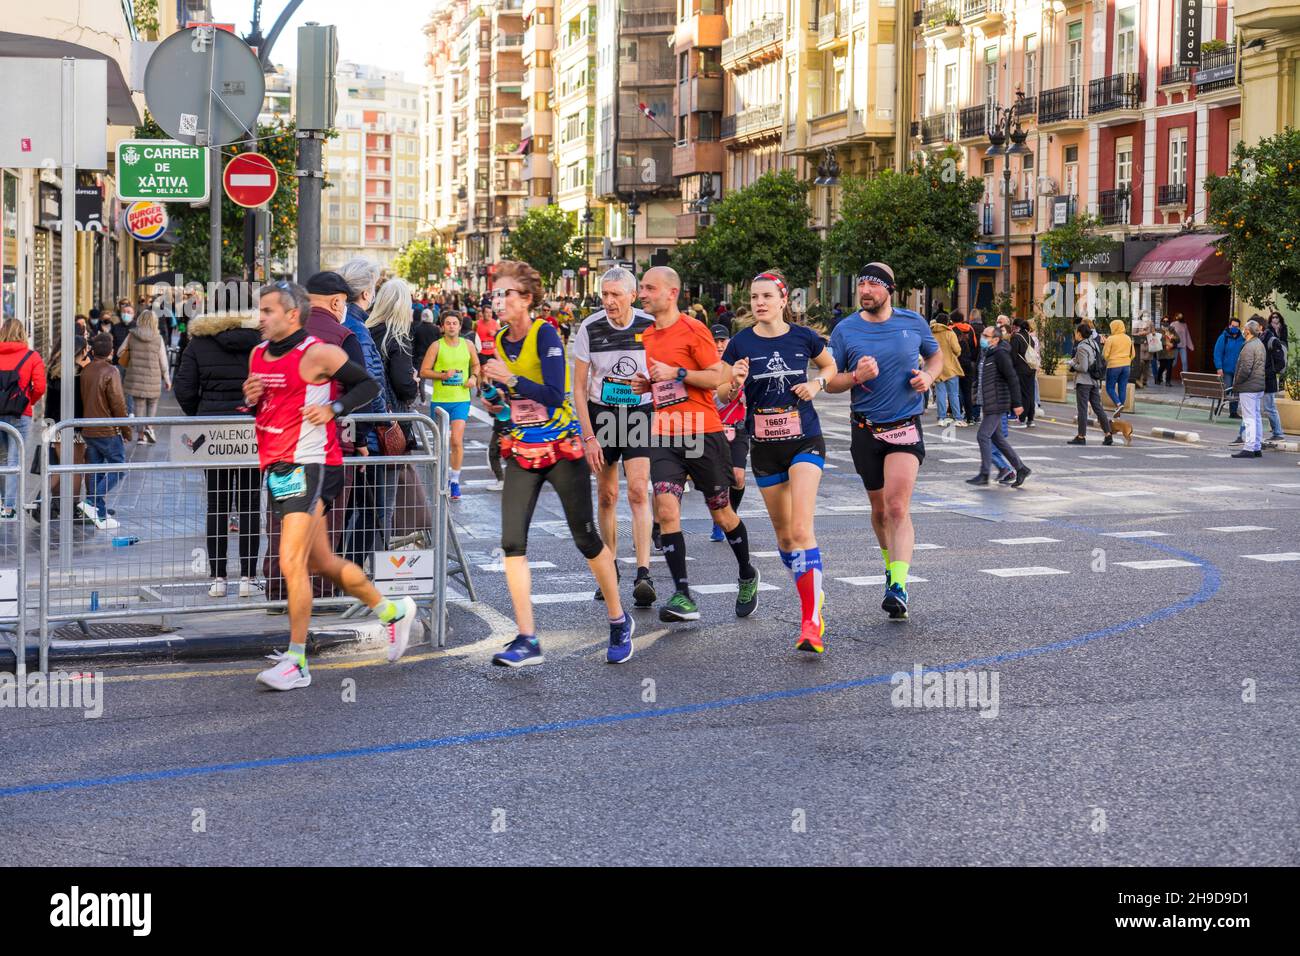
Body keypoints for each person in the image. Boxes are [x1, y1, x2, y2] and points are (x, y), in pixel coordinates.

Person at [244, 281, 416, 691]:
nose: (261, 317)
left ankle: (297, 661)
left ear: (292, 314)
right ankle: (393, 610)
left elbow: (368, 386)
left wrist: (333, 407)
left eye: (269, 311)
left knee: (291, 561)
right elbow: (266, 402)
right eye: (260, 310)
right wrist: (251, 396)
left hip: (315, 463)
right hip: (279, 465)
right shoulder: (257, 353)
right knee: (321, 561)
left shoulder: (318, 352)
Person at [479, 260, 633, 667]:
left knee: (585, 538)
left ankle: (618, 619)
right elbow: (509, 401)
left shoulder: (545, 333)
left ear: (526, 299)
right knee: (512, 542)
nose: (500, 300)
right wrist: (495, 398)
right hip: (523, 449)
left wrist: (509, 380)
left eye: (507, 293)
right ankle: (527, 637)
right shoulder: (498, 340)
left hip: (561, 449)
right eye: (498, 293)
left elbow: (553, 393)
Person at [632, 266, 761, 625]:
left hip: (703, 432)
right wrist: (649, 386)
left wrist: (676, 373)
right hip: (665, 433)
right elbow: (666, 384)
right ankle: (683, 595)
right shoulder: (648, 336)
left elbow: (715, 376)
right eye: (642, 287)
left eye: (649, 288)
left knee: (721, 512)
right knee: (667, 509)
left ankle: (747, 573)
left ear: (671, 293)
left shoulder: (694, 329)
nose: (642, 293)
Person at [718, 270, 836, 653]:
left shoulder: (804, 337)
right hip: (765, 448)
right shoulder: (739, 343)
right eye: (754, 297)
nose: (759, 303)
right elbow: (720, 394)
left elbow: (830, 368)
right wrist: (733, 380)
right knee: (786, 539)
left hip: (806, 440)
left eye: (767, 295)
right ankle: (811, 590)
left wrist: (817, 384)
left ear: (784, 300)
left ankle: (810, 623)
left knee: (802, 529)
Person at [825, 261, 942, 622]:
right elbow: (829, 382)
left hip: (905, 426)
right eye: (861, 285)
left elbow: (936, 355)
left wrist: (928, 376)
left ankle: (899, 585)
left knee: (896, 507)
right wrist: (854, 376)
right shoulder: (846, 330)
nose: (864, 291)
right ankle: (890, 567)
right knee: (878, 511)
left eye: (872, 286)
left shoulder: (912, 323)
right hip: (865, 430)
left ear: (889, 290)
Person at [570, 266, 657, 608]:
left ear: (633, 296)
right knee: (607, 495)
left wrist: (650, 384)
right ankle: (610, 567)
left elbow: (665, 377)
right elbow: (578, 387)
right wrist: (588, 436)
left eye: (615, 295)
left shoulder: (649, 327)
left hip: (639, 413)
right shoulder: (589, 328)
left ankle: (644, 572)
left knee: (638, 491)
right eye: (604, 294)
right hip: (601, 415)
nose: (608, 301)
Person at [174, 308, 264, 598]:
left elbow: (184, 388)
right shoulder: (262, 343)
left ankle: (219, 579)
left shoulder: (199, 342)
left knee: (217, 505)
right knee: (250, 505)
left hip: (214, 434)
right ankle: (249, 579)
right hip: (252, 430)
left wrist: (201, 415)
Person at [25, 337, 89, 522]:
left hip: (56, 426)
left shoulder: (53, 370)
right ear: (79, 351)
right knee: (75, 468)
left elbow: (50, 403)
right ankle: (71, 507)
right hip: (75, 426)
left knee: (58, 466)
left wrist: (48, 427)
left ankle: (44, 502)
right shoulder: (80, 373)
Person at [420, 309, 479, 500]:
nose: (451, 326)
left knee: (456, 441)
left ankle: (455, 481)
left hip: (461, 400)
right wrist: (442, 375)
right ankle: (440, 477)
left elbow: (476, 365)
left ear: (460, 326)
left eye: (455, 323)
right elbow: (424, 371)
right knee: (440, 444)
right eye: (448, 323)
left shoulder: (468, 344)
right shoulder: (436, 346)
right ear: (442, 326)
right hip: (440, 401)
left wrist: (473, 377)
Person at [78, 333, 131, 531]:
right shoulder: (112, 371)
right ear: (110, 350)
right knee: (119, 467)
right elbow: (118, 404)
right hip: (107, 429)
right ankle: (92, 502)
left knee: (96, 469)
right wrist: (126, 431)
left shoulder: (86, 370)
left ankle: (99, 515)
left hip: (88, 429)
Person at [967, 324, 1030, 487]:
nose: (982, 338)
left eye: (986, 336)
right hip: (988, 402)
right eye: (983, 335)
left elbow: (1012, 377)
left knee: (983, 436)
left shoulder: (1000, 354)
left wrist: (1017, 403)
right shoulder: (986, 353)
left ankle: (984, 473)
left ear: (995, 339)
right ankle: (1021, 468)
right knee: (998, 439)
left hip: (997, 402)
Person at [0, 319, 47, 520]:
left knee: (2, 460)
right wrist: (28, 402)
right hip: (21, 415)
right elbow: (40, 387)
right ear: (23, 334)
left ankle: (2, 503)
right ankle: (9, 509)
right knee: (14, 460)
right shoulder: (32, 356)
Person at [709, 323, 748, 543]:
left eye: (723, 340)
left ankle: (729, 514)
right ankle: (720, 517)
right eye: (715, 341)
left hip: (738, 428)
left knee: (738, 477)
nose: (719, 344)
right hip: (712, 429)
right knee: (716, 480)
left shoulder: (741, 365)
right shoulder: (705, 367)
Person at [117, 309, 171, 443]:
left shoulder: (132, 335)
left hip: (135, 377)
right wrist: (167, 378)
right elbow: (163, 361)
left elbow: (119, 353)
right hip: (153, 376)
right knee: (152, 403)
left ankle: (141, 436)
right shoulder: (158, 338)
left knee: (138, 405)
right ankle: (149, 427)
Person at [1067, 322, 1113, 446]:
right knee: (1098, 408)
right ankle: (1108, 434)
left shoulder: (1081, 347)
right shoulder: (1094, 344)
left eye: (1076, 332)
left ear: (1080, 334)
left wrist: (1071, 364)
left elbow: (1083, 367)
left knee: (1082, 409)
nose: (1075, 334)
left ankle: (1081, 436)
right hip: (1094, 381)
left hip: (1084, 381)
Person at [1231, 319, 1266, 460]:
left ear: (1248, 331)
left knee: (1249, 417)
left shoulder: (1249, 346)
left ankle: (1249, 447)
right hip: (1258, 386)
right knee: (1256, 416)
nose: (1242, 330)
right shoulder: (1259, 344)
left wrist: (1236, 383)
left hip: (1248, 387)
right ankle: (1256, 446)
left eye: (1244, 328)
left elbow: (1245, 368)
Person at [929, 312, 965, 427]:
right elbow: (957, 350)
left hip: (937, 367)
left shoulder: (931, 333)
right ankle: (958, 417)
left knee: (940, 393)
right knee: (953, 394)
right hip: (950, 367)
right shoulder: (950, 333)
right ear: (947, 322)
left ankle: (941, 417)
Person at [479, 377, 511, 491]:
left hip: (512, 425)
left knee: (506, 454)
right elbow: (493, 413)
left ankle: (508, 480)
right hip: (501, 425)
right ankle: (502, 480)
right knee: (494, 452)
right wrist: (491, 406)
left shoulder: (511, 382)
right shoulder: (496, 386)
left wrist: (503, 400)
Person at [1213, 318, 1245, 418]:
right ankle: (1219, 406)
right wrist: (1219, 367)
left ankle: (1233, 412)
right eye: (1233, 326)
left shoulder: (1242, 339)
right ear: (1229, 326)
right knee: (1225, 390)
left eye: (1236, 326)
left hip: (1238, 370)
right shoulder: (1223, 337)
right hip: (1226, 370)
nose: (1234, 328)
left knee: (1236, 391)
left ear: (1239, 327)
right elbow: (1217, 353)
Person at [1103, 318, 1135, 417]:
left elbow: (1105, 354)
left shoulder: (1111, 339)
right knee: (1122, 388)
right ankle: (1119, 409)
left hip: (1114, 365)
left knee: (1109, 387)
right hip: (1126, 366)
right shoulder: (1128, 338)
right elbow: (1133, 354)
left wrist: (1110, 360)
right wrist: (1127, 360)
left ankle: (1119, 404)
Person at [1009, 318, 1037, 426]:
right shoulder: (1030, 338)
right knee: (1030, 393)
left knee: (1023, 394)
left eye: (1013, 326)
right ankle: (1030, 418)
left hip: (1021, 369)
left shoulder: (1016, 338)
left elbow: (1013, 356)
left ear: (1016, 326)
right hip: (1031, 368)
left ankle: (1021, 418)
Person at [1170, 312, 1193, 380]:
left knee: (1185, 362)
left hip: (1183, 345)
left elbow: (1187, 335)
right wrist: (1169, 343)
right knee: (1174, 362)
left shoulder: (1184, 325)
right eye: (1178, 315)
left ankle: (1185, 379)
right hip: (1175, 345)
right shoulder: (1172, 324)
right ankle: (1167, 375)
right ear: (1176, 316)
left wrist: (1190, 345)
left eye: (1181, 316)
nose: (1180, 317)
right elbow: (1168, 334)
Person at [1158, 317, 1180, 385]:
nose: (1165, 322)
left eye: (1167, 321)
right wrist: (1166, 343)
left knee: (1169, 367)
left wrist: (1173, 338)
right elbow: (1157, 341)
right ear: (1161, 322)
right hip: (1162, 351)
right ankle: (1158, 379)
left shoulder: (1172, 330)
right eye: (1164, 321)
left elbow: (1179, 340)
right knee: (1162, 366)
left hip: (1170, 351)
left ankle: (1168, 381)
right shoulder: (1159, 330)